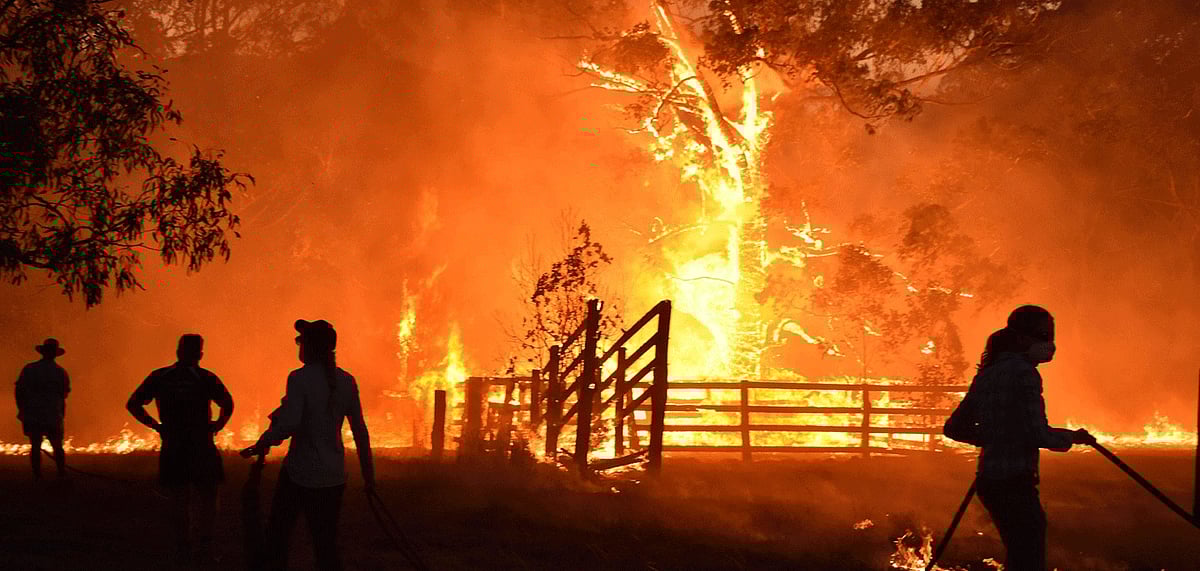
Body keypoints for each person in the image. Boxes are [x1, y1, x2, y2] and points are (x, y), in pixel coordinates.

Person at [945, 305, 1095, 571]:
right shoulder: (1026, 373)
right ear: (1023, 338)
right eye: (1044, 335)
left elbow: (954, 428)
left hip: (989, 481)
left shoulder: (987, 373)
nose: (1050, 344)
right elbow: (1036, 432)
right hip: (1015, 483)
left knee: (1019, 555)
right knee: (1028, 559)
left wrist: (992, 437)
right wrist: (1072, 438)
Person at [241, 319, 375, 571]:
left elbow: (290, 423)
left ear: (311, 347)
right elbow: (360, 430)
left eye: (301, 342)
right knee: (326, 545)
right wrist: (369, 475)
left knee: (278, 538)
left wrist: (263, 442)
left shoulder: (299, 379)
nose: (298, 347)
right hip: (333, 476)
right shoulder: (347, 381)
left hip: (299, 474)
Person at [127, 333, 234, 562]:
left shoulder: (161, 377)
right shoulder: (205, 378)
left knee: (178, 497)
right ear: (200, 354)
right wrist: (218, 425)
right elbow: (228, 403)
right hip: (200, 444)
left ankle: (183, 547)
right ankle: (204, 546)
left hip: (173, 444)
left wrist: (156, 426)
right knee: (207, 495)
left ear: (178, 351)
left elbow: (133, 403)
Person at [15, 338, 71, 480]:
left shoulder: (30, 369)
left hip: (34, 413)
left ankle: (37, 475)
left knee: (35, 445)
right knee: (57, 445)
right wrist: (61, 413)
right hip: (52, 414)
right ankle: (61, 473)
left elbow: (19, 391)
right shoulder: (60, 372)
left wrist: (22, 409)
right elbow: (64, 394)